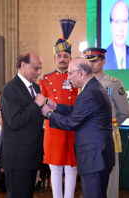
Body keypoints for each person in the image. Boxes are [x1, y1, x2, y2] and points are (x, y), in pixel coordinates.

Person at [41, 57, 115, 198]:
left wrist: (49, 114)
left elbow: (71, 123)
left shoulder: (89, 93)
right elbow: (77, 111)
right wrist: (56, 106)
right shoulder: (92, 88)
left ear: (81, 73)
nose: (68, 77)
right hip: (97, 157)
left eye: (70, 73)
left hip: (95, 159)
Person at [84, 47, 129, 198]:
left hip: (107, 135)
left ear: (103, 61)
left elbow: (125, 111)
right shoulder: (83, 84)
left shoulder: (113, 84)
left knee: (110, 172)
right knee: (91, 173)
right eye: (89, 61)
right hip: (88, 136)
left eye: (95, 61)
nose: (91, 65)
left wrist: (111, 125)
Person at [39, 17, 78, 198]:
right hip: (54, 128)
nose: (62, 59)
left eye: (66, 56)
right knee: (55, 168)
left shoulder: (78, 78)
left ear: (70, 58)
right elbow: (42, 103)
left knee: (71, 168)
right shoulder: (45, 79)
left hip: (73, 128)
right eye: (59, 56)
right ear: (55, 58)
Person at [0, 51, 45, 198]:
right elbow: (15, 121)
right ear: (23, 65)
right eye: (36, 68)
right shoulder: (10, 89)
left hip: (32, 154)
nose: (39, 72)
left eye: (40, 68)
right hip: (17, 157)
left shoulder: (35, 88)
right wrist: (36, 104)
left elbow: (35, 117)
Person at [104, 0, 129, 70]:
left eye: (124, 21)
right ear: (111, 24)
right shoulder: (102, 59)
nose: (120, 28)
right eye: (116, 21)